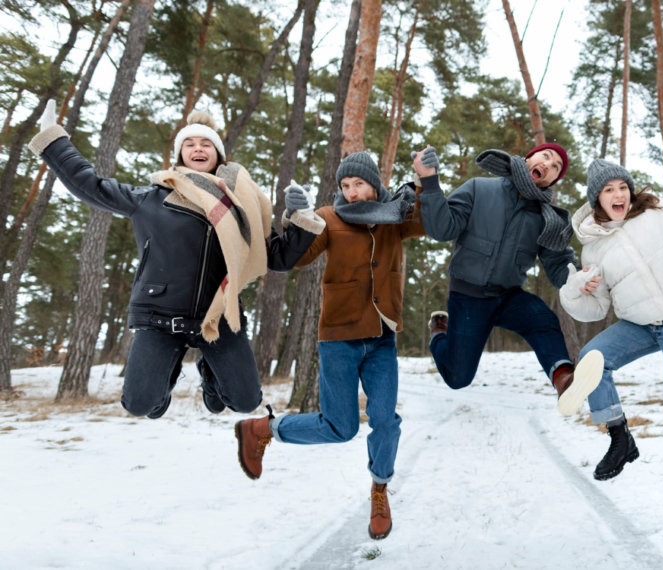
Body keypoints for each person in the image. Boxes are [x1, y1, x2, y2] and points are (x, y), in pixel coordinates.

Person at [28, 104, 323, 418]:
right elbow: (91, 185)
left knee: (246, 401)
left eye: (206, 143)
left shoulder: (241, 206)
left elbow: (277, 257)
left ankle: (210, 375)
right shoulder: (151, 198)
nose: (198, 148)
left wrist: (300, 216)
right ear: (180, 154)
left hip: (218, 318)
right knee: (141, 405)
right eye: (190, 144)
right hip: (160, 317)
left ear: (218, 155)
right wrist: (54, 142)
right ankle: (163, 381)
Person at [234, 151, 424, 541]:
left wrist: (425, 183)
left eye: (359, 184)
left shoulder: (394, 216)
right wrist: (298, 219)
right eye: (345, 186)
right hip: (338, 337)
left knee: (386, 421)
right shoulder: (329, 217)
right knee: (340, 427)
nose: (352, 193)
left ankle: (380, 489)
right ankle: (262, 429)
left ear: (375, 183)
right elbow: (293, 259)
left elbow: (434, 221)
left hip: (382, 337)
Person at [559, 141, 663, 481]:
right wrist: (576, 291)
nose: (618, 194)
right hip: (638, 325)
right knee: (592, 358)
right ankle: (621, 439)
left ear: (630, 191)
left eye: (622, 187)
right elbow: (597, 309)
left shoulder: (661, 211)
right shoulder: (593, 248)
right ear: (596, 200)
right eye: (608, 190)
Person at [415, 142, 603, 416]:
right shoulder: (479, 188)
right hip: (468, 297)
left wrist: (577, 280)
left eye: (555, 168)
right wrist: (430, 181)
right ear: (530, 157)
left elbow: (558, 264)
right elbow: (442, 228)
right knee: (458, 378)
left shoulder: (546, 218)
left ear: (553, 180)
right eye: (546, 157)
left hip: (508, 296)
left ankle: (564, 380)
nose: (548, 166)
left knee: (543, 319)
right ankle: (439, 332)